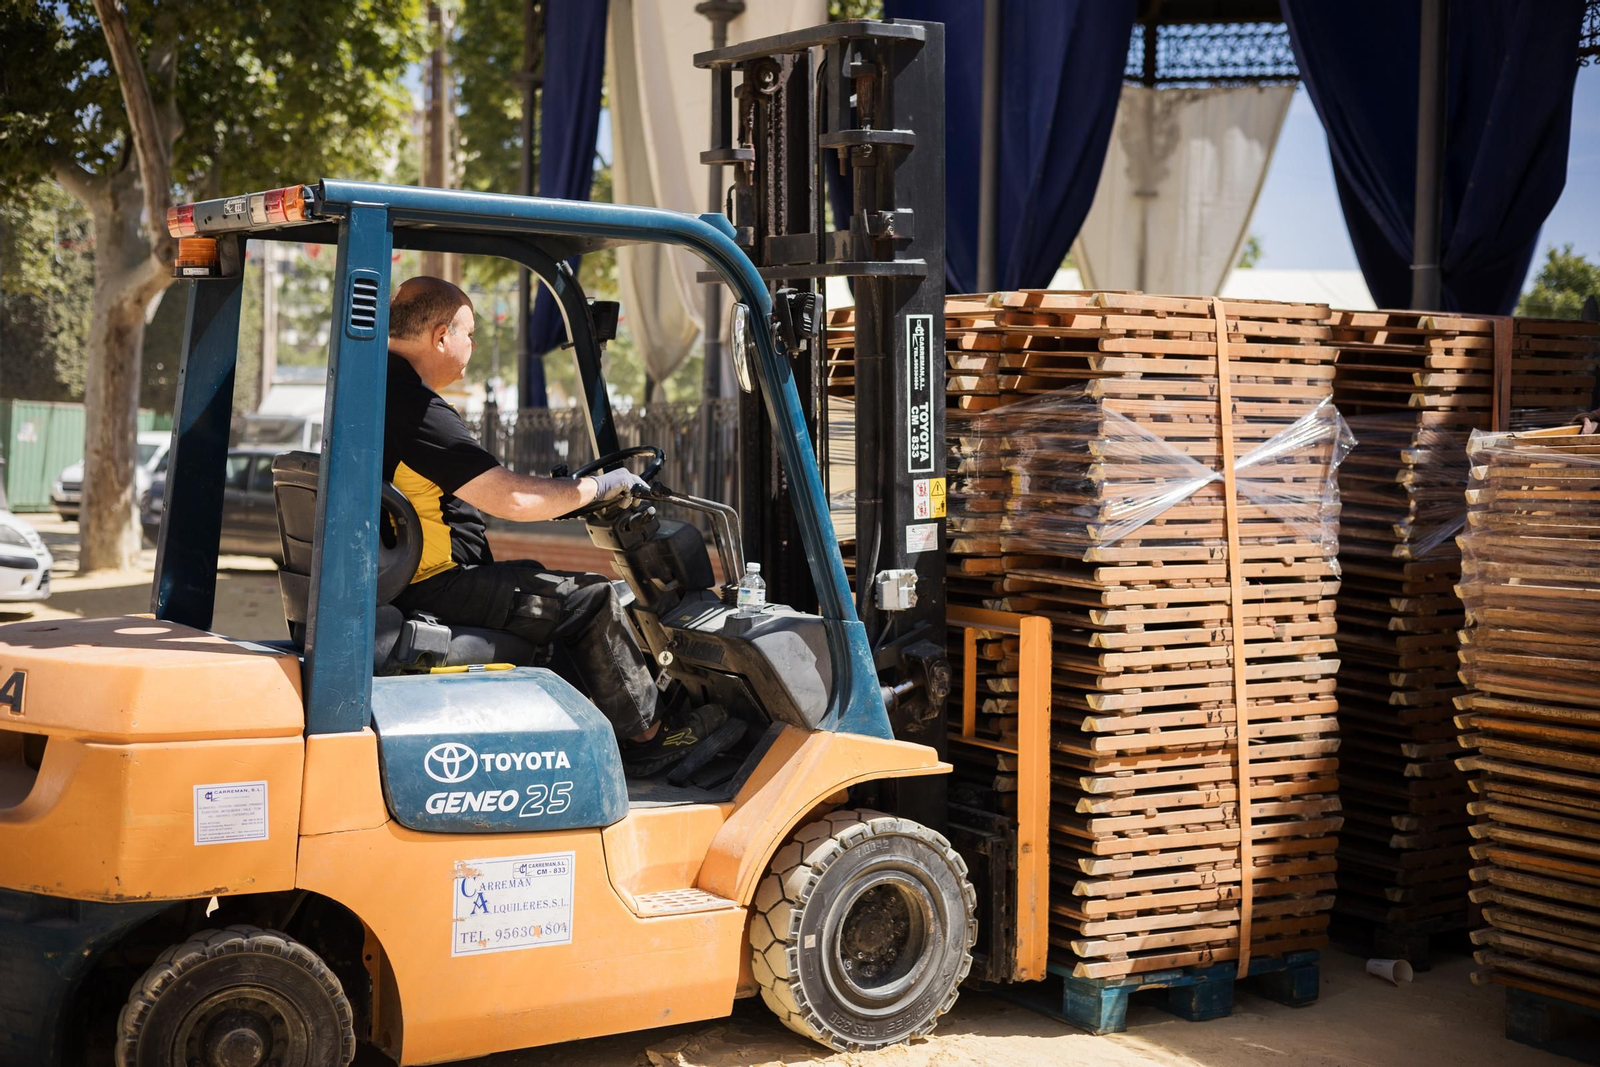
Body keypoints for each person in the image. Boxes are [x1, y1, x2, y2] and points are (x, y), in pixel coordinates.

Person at [381, 275, 724, 776]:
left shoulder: (376, 386)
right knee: (591, 598)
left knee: (540, 582)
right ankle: (650, 739)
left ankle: (584, 730)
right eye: (469, 334)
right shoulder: (415, 408)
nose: (472, 346)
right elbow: (514, 498)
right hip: (431, 585)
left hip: (402, 580)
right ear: (440, 336)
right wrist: (598, 488)